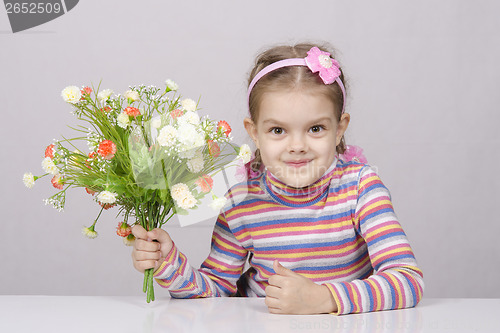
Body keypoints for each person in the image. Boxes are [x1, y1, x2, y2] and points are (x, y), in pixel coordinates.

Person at [131, 42, 424, 315]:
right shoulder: (240, 199)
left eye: (316, 128)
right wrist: (167, 263)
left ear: (339, 128)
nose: (297, 145)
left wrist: (323, 298)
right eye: (278, 131)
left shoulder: (361, 189)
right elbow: (216, 291)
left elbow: (408, 281)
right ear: (255, 132)